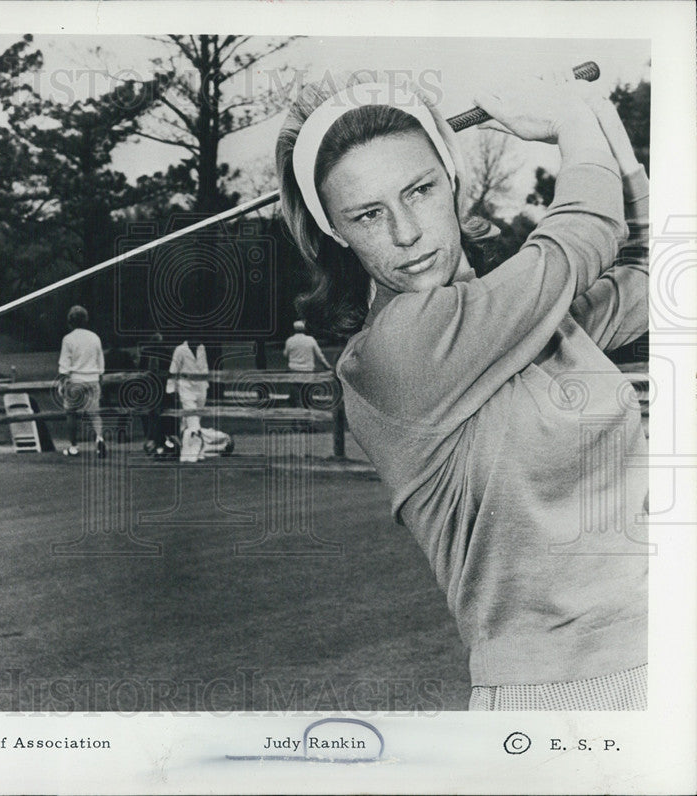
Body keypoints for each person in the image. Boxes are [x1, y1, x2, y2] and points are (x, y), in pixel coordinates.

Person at [275, 71, 648, 710]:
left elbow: (655, 268)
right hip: (560, 696)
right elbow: (583, 233)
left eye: (418, 191)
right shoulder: (394, 352)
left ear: (452, 181)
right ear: (336, 232)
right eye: (368, 214)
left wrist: (595, 115)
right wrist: (571, 126)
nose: (405, 233)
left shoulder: (521, 319)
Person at [58, 305, 106, 458]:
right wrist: (100, 379)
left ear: (70, 321)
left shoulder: (68, 339)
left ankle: (73, 446)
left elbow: (65, 364)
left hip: (76, 379)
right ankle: (99, 438)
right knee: (95, 413)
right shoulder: (94, 337)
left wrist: (62, 382)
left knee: (71, 413)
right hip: (93, 378)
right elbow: (100, 362)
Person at [168, 338, 210, 463]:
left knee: (188, 422)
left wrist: (206, 384)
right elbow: (173, 370)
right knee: (193, 421)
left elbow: (204, 366)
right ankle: (192, 454)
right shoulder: (180, 350)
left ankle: (188, 450)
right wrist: (171, 390)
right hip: (186, 388)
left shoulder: (202, 348)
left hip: (201, 388)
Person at [283, 319, 332, 407]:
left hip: (294, 369)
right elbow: (319, 355)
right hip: (308, 370)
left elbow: (285, 354)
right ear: (304, 329)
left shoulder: (290, 340)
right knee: (307, 391)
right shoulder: (310, 340)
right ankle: (306, 409)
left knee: (296, 392)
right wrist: (327, 366)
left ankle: (297, 410)